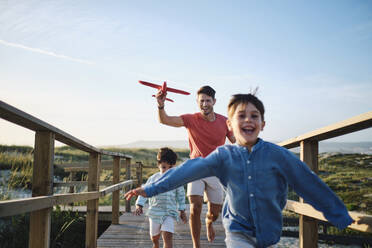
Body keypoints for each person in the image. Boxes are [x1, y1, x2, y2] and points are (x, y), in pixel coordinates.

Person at [125, 93, 354, 248]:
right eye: (241, 116)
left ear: (263, 124)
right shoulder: (224, 156)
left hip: (269, 233)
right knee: (203, 207)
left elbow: (307, 181)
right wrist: (150, 188)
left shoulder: (277, 155)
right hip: (237, 231)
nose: (248, 120)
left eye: (254, 116)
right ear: (230, 125)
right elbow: (188, 170)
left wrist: (339, 214)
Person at [155, 85, 235, 247]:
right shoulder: (191, 119)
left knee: (215, 212)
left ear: (214, 101)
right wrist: (161, 105)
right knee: (195, 206)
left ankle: (209, 222)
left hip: (215, 170)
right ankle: (196, 245)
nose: (204, 104)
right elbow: (165, 120)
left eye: (208, 101)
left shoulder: (224, 122)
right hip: (196, 168)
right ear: (197, 102)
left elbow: (237, 141)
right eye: (201, 101)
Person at [134, 147, 187, 248]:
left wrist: (182, 210)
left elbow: (180, 195)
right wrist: (139, 205)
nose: (167, 171)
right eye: (163, 167)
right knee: (154, 237)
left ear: (174, 166)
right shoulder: (153, 179)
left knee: (168, 237)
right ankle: (156, 244)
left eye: (170, 168)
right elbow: (145, 191)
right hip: (155, 213)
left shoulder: (176, 180)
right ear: (159, 165)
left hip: (169, 213)